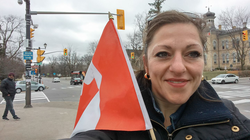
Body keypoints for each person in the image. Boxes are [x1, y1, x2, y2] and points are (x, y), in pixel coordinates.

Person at [66, 10, 250, 140]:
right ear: (146, 64)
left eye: (193, 54)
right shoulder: (109, 117)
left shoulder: (228, 116)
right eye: (163, 54)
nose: (178, 68)